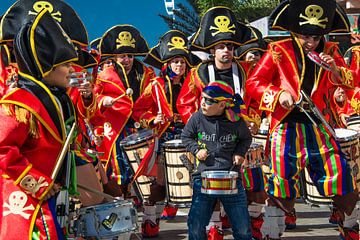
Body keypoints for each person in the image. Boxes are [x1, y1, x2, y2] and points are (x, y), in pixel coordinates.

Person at [245, 0, 359, 239]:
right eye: (306, 37)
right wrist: (278, 94)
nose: (312, 42)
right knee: (281, 182)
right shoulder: (278, 50)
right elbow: (253, 83)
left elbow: (350, 81)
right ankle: (272, 232)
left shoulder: (330, 51)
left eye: (316, 37)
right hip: (286, 126)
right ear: (295, 33)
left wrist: (336, 71)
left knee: (340, 175)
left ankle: (350, 227)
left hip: (319, 124)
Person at [0, 10, 78, 239]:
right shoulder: (18, 104)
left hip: (50, 194)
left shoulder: (58, 98)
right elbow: (3, 149)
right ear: (46, 67)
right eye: (66, 65)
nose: (72, 71)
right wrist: (35, 182)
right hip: (24, 196)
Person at [132, 29, 200, 237]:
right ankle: (151, 220)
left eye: (182, 62)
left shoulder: (194, 84)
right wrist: (153, 120)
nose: (179, 66)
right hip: (165, 134)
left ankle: (201, 225)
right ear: (167, 64)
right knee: (160, 183)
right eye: (175, 62)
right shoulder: (156, 85)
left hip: (190, 134)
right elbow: (138, 110)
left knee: (193, 181)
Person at [181, 81, 252, 240]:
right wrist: (196, 150)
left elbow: (246, 138)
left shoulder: (235, 120)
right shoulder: (197, 117)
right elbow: (185, 136)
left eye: (209, 101)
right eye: (202, 98)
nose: (203, 103)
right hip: (203, 176)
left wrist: (240, 153)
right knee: (196, 225)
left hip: (231, 175)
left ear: (222, 105)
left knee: (242, 227)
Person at [95, 24, 154, 197]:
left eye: (130, 55)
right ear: (114, 57)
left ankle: (142, 202)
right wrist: (104, 101)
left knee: (141, 166)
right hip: (115, 127)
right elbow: (95, 96)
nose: (127, 59)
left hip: (139, 125)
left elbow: (149, 100)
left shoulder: (146, 73)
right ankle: (121, 198)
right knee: (118, 165)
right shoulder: (104, 75)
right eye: (122, 56)